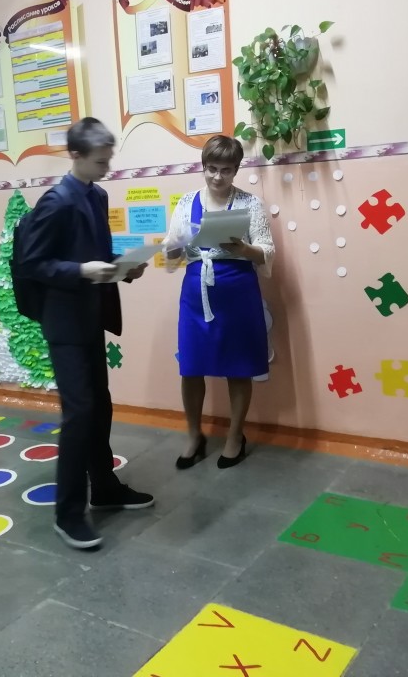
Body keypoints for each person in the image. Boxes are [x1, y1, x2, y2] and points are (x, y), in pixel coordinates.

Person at [15, 117, 153, 550]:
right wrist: (80, 271)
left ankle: (105, 488)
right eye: (99, 161)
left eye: (108, 159)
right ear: (75, 155)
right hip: (64, 323)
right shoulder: (56, 202)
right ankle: (68, 513)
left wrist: (122, 268)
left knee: (100, 406)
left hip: (91, 316)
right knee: (79, 414)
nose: (106, 168)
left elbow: (96, 253)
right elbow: (32, 264)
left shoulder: (96, 195)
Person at [163, 135, 274, 470]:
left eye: (226, 170)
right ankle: (194, 436)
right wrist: (173, 246)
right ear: (203, 166)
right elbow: (172, 250)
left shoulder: (250, 203)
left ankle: (235, 437)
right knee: (191, 366)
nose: (217, 176)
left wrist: (244, 249)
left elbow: (267, 251)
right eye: (212, 168)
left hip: (238, 291)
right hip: (196, 292)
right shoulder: (186, 203)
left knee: (238, 367)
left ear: (236, 170)